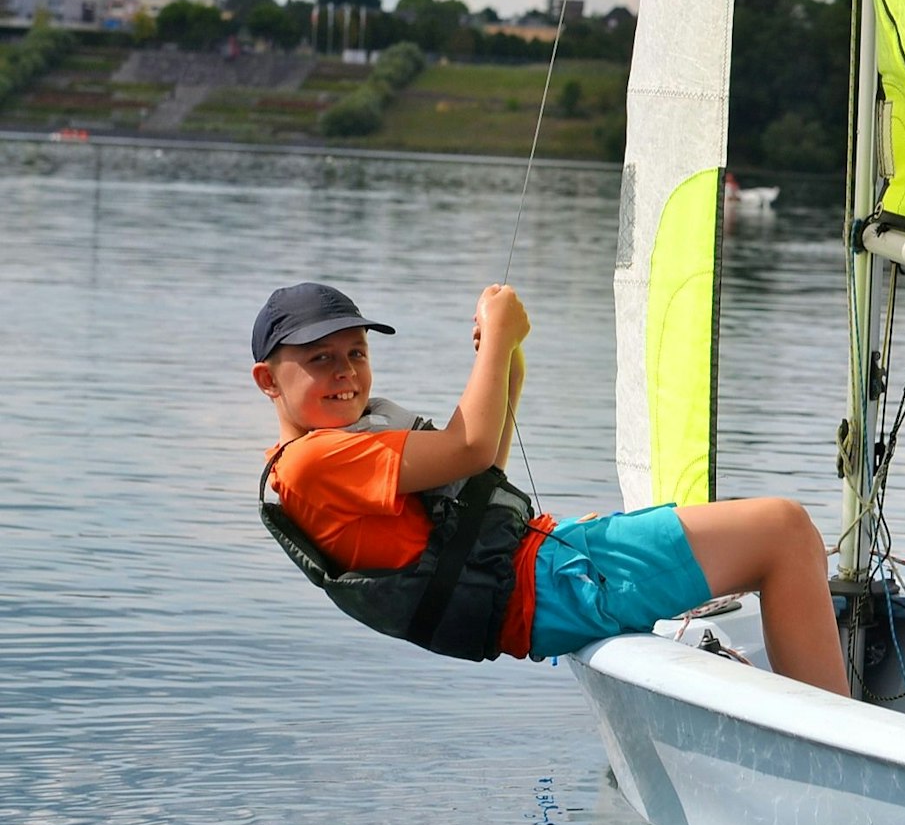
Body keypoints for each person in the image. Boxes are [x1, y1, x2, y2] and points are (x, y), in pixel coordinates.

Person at [250, 281, 850, 696]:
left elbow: (480, 478)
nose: (345, 371)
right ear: (267, 381)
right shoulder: (314, 463)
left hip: (545, 574)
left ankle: (816, 710)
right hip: (551, 589)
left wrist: (506, 357)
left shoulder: (328, 454)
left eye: (355, 352)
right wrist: (502, 336)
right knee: (786, 532)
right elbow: (471, 447)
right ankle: (841, 745)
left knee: (766, 547)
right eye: (319, 358)